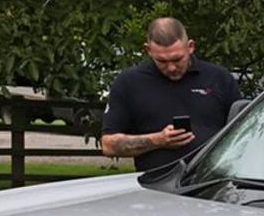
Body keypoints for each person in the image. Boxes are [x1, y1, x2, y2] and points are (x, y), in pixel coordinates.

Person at [100, 17, 242, 173]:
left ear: (190, 47)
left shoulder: (219, 78)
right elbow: (108, 145)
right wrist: (158, 140)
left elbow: (244, 133)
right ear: (148, 50)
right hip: (155, 188)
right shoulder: (129, 83)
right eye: (162, 61)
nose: (172, 67)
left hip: (215, 183)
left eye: (177, 59)